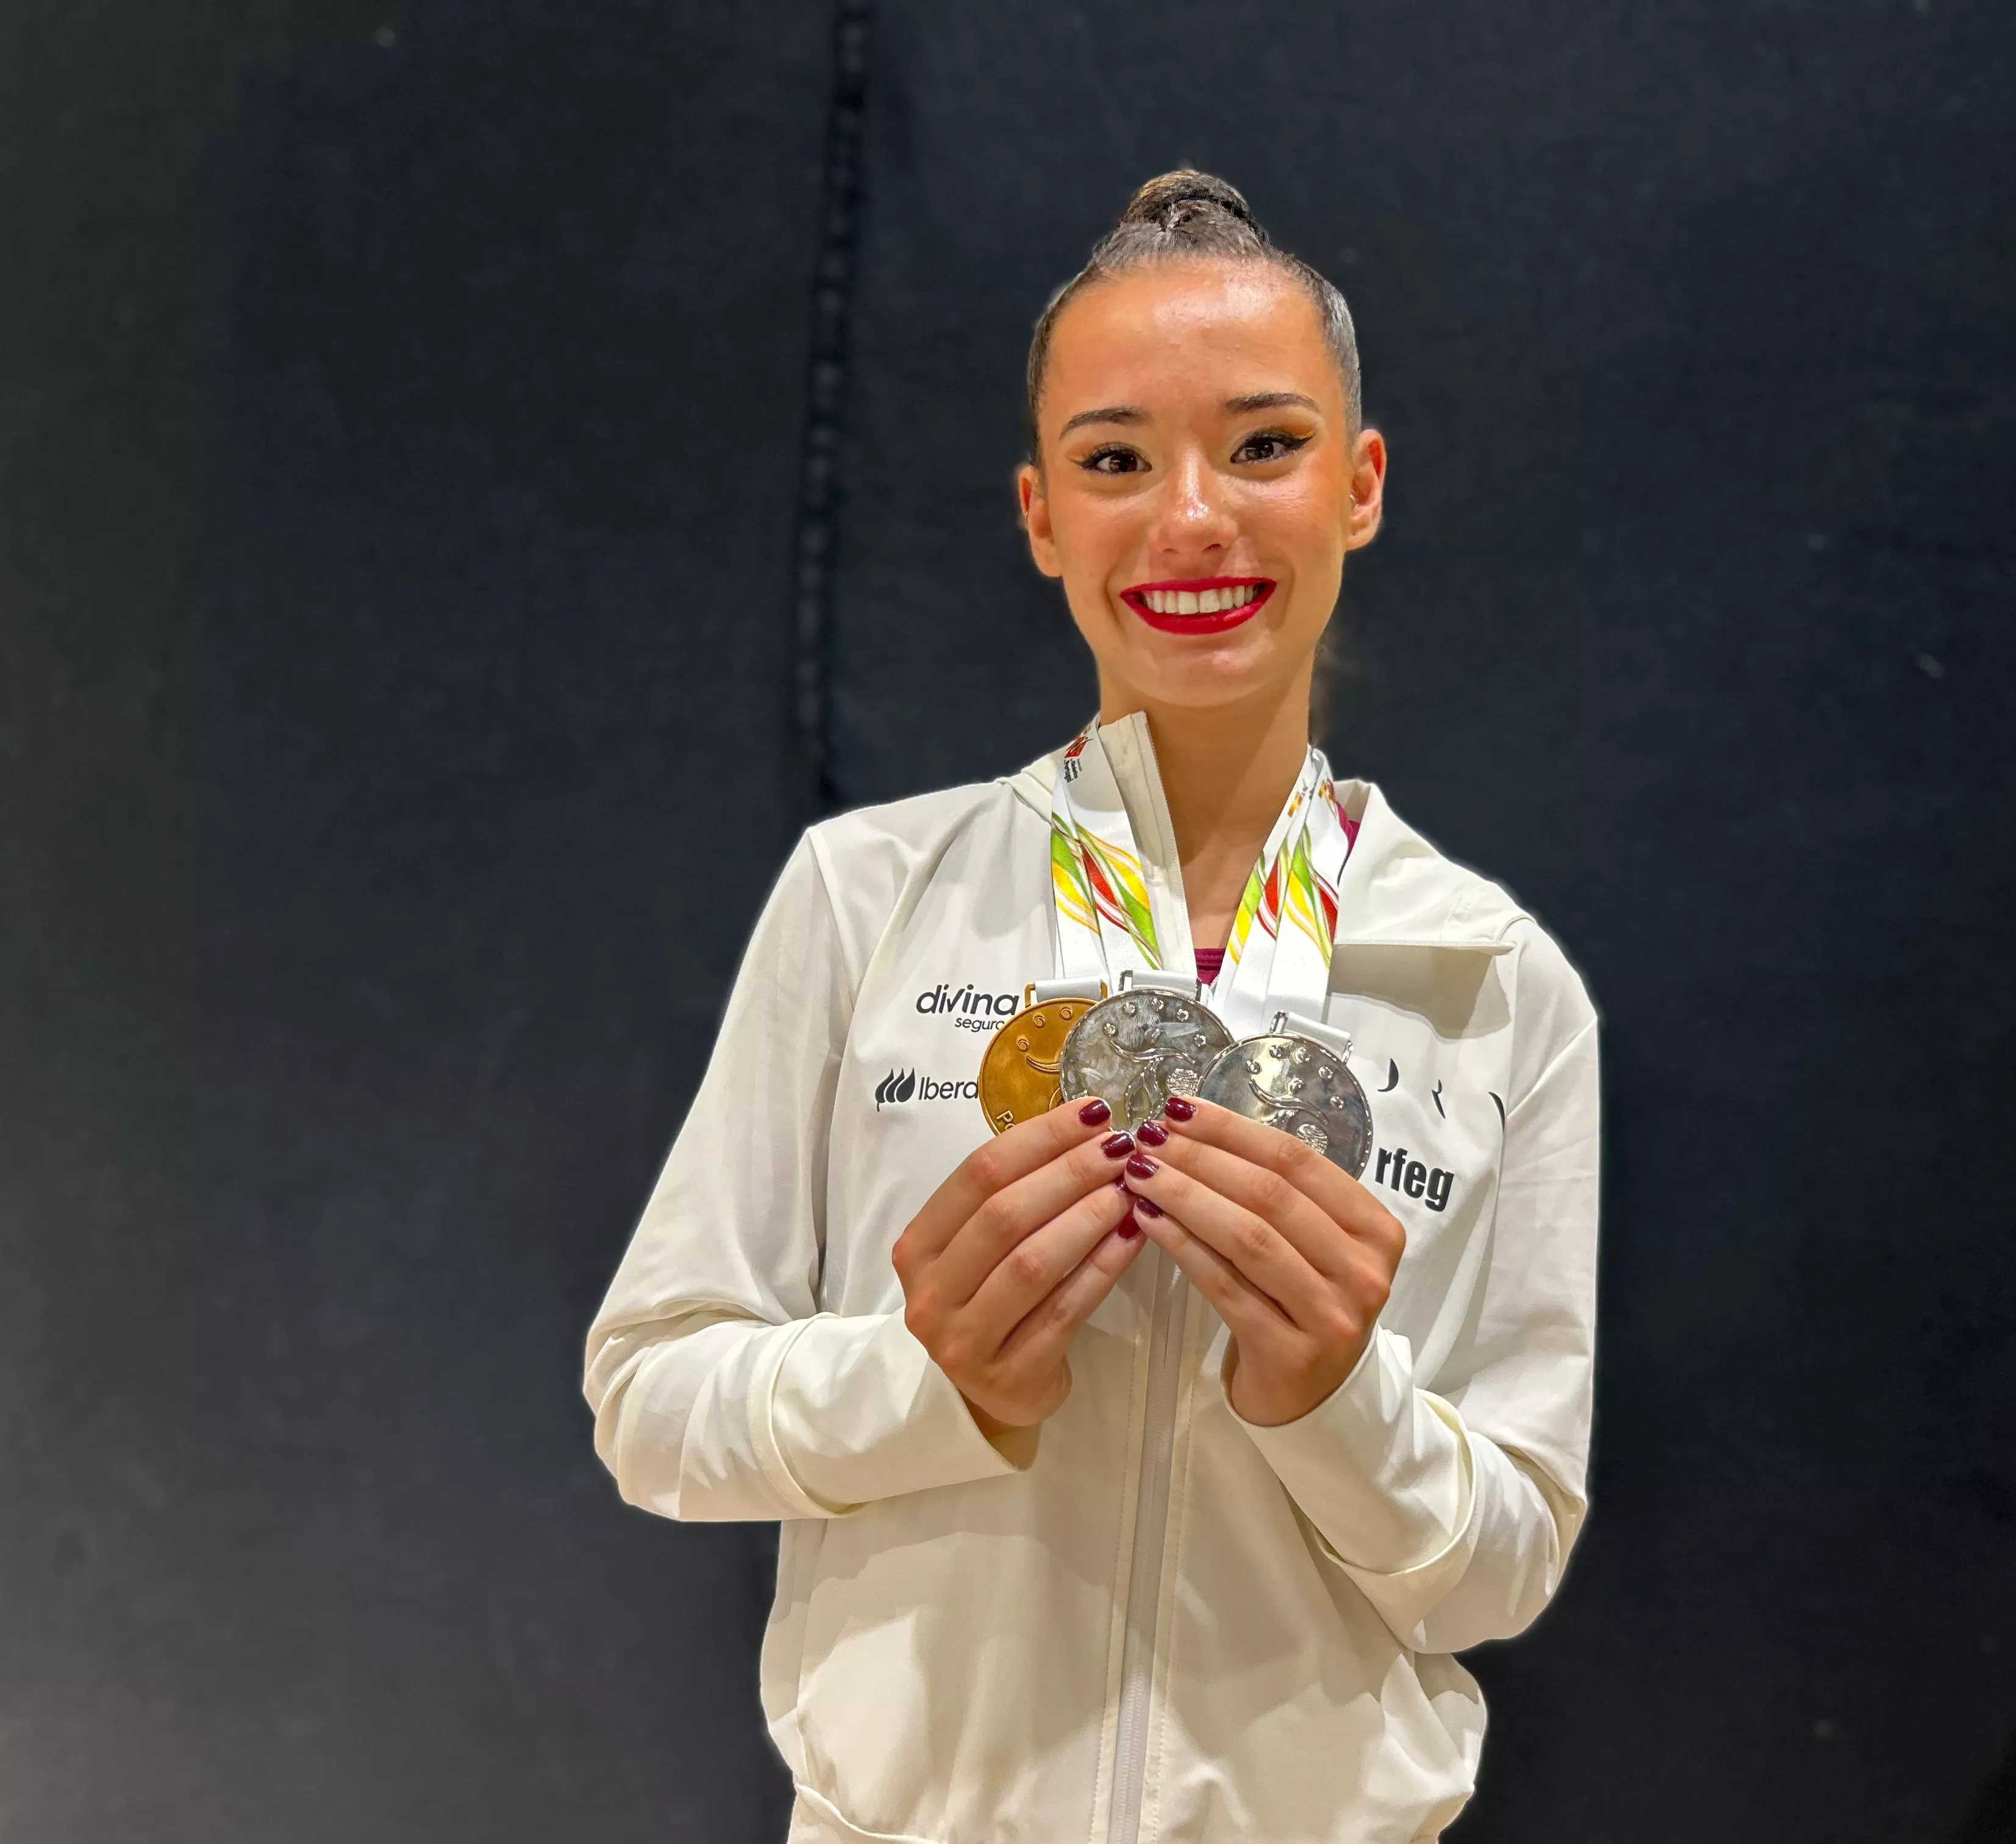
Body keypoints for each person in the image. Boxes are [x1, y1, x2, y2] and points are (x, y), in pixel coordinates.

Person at [584, 171, 1600, 1844]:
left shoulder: (1495, 980)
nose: (1191, 518)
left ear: (1361, 488)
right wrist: (932, 1384)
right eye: (1117, 459)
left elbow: (1506, 1560)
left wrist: (1334, 1399)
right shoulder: (869, 896)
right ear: (1042, 513)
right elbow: (651, 1404)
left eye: (1263, 447)